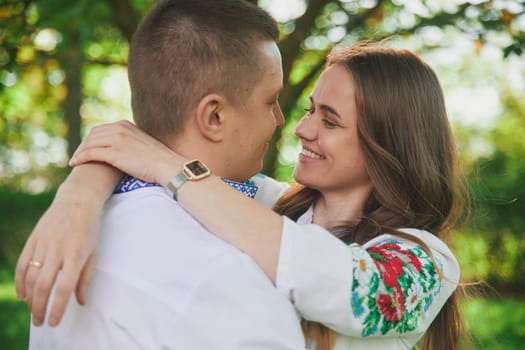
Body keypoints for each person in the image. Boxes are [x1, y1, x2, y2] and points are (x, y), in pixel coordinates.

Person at [18, 40, 468, 349]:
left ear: (386, 145)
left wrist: (170, 169)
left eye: (329, 121)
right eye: (311, 109)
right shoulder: (264, 202)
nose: (302, 128)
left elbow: (353, 290)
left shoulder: (425, 260)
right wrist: (75, 202)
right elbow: (125, 143)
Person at [20, 0, 309, 349]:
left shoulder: (68, 242)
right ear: (214, 117)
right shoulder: (222, 276)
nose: (280, 120)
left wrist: (84, 185)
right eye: (270, 100)